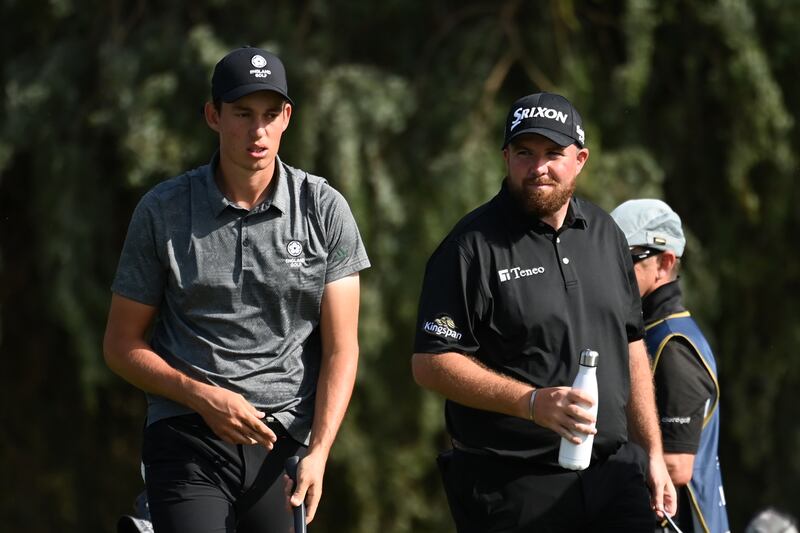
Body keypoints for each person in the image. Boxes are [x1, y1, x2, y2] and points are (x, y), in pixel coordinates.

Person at [103, 46, 370, 533]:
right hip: (187, 435)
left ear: (287, 117)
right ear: (213, 115)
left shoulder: (325, 208)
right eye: (242, 114)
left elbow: (342, 348)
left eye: (270, 115)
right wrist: (203, 396)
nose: (258, 131)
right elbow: (121, 346)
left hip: (281, 444)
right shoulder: (163, 210)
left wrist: (320, 452)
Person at [411, 92, 676, 532]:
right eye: (524, 153)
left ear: (580, 159)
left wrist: (652, 452)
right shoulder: (470, 247)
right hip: (513, 484)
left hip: (615, 475)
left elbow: (631, 344)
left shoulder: (607, 234)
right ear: (506, 157)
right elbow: (431, 362)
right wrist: (531, 403)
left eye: (553, 154)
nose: (539, 169)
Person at [611, 199, 730, 533]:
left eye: (625, 260)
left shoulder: (673, 344)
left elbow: (677, 466)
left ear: (664, 264)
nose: (611, 273)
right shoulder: (649, 331)